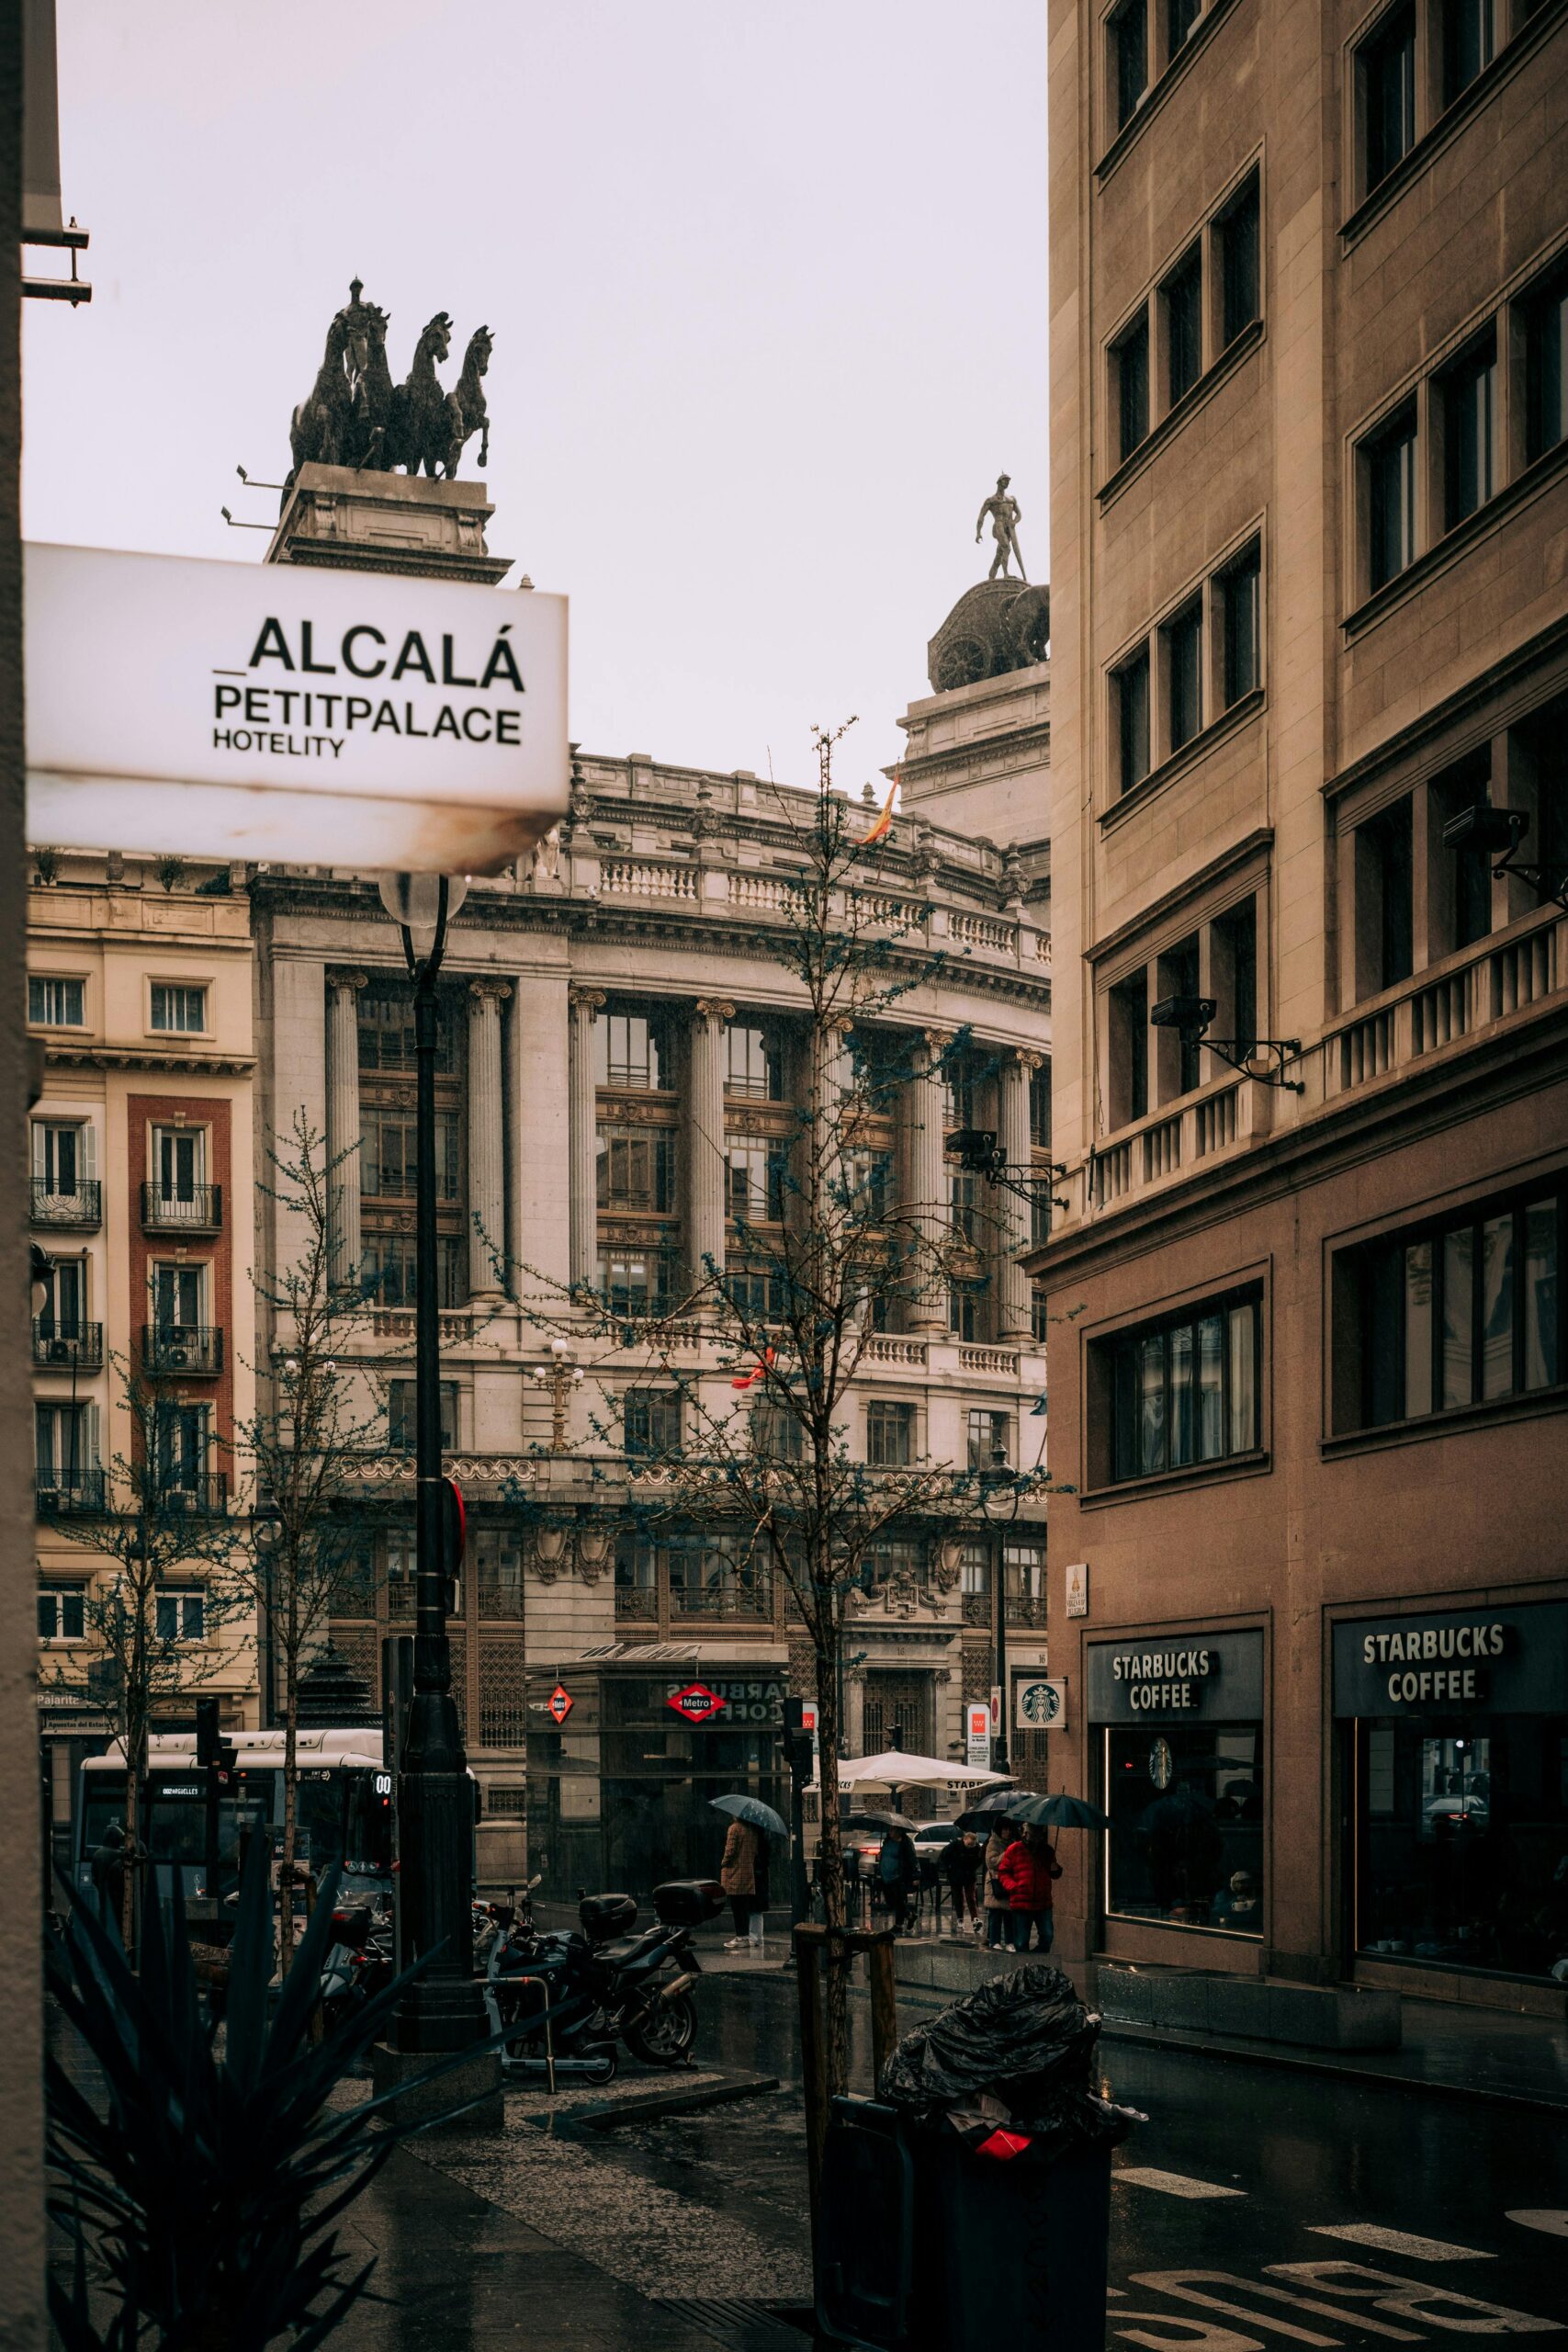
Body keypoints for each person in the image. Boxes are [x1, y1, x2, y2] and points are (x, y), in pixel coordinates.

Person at [998, 1825, 1062, 1953]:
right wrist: (1013, 1886)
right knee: (1021, 1941)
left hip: (1043, 1902)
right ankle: (1024, 1967)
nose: (1036, 1838)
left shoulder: (1047, 1850)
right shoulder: (1015, 1849)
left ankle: (1037, 1962)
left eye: (1038, 1835)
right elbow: (1003, 1872)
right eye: (1033, 1835)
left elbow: (1054, 1874)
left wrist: (1056, 1868)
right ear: (1025, 1834)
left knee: (1047, 1936)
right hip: (1021, 1902)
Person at [720, 1813, 762, 1950]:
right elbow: (755, 1851)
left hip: (735, 1872)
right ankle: (745, 1936)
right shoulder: (751, 1830)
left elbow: (730, 1850)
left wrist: (723, 1862)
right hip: (747, 1872)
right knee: (743, 1906)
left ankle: (741, 1937)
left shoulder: (734, 1828)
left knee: (736, 1906)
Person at [940, 1828, 984, 1936]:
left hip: (968, 1875)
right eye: (969, 1844)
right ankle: (960, 1920)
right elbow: (944, 1857)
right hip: (956, 1875)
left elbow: (979, 1860)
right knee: (958, 1898)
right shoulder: (954, 1845)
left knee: (971, 1898)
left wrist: (972, 1867)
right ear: (964, 1839)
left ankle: (975, 1920)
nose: (970, 1846)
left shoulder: (976, 1847)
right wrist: (947, 1869)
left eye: (972, 1845)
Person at [876, 1824, 919, 1934]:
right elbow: (884, 1854)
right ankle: (910, 1916)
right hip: (886, 1876)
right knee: (890, 1901)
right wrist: (880, 1855)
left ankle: (898, 1925)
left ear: (899, 1831)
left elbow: (912, 1859)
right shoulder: (887, 1841)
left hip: (899, 1876)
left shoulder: (905, 1843)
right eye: (890, 1830)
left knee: (899, 1900)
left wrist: (915, 1876)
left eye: (892, 1830)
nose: (890, 1832)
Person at [982, 1818, 1015, 1950]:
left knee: (1009, 1915)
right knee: (995, 1915)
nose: (1007, 1832)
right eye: (1005, 1829)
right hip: (995, 1884)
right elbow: (991, 1862)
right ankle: (994, 1941)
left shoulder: (1012, 1842)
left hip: (1009, 1882)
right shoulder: (993, 1843)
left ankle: (1009, 1941)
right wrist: (1006, 1854)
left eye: (1009, 1829)